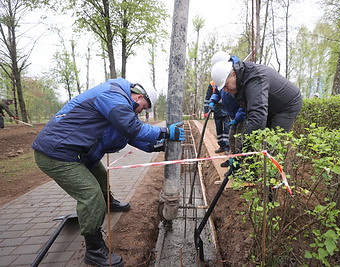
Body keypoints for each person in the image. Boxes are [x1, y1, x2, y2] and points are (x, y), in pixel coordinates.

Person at [32, 78, 185, 267]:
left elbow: (131, 135)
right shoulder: (112, 94)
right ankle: (94, 250)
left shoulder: (120, 106)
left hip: (78, 153)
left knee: (101, 176)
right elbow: (131, 127)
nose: (141, 112)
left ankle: (109, 204)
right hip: (56, 153)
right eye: (143, 107)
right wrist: (164, 132)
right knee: (90, 195)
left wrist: (159, 145)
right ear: (138, 96)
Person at [211, 60, 303, 170]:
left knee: (272, 144)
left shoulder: (255, 80)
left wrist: (243, 150)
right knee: (256, 140)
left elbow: (258, 116)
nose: (225, 90)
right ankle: (251, 173)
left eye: (226, 85)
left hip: (287, 106)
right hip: (270, 105)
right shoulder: (240, 82)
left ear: (234, 74)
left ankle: (271, 181)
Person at [208, 51, 247, 167]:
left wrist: (239, 117)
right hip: (234, 114)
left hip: (242, 114)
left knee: (239, 139)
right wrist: (213, 99)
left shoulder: (237, 75)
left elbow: (245, 101)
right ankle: (232, 161)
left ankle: (240, 166)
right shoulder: (222, 75)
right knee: (231, 137)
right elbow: (219, 91)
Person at [204, 81, 230, 154]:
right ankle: (221, 146)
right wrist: (206, 110)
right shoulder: (212, 83)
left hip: (226, 107)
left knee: (227, 127)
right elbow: (208, 97)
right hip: (216, 108)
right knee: (218, 128)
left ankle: (227, 147)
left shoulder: (226, 80)